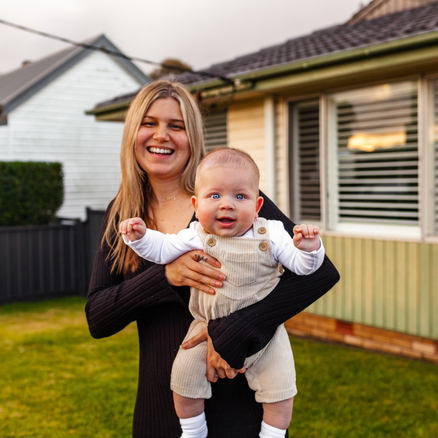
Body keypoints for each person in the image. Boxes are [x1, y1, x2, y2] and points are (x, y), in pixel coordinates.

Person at [85, 79, 340, 438]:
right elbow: (98, 317)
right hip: (161, 403)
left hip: (239, 397)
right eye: (149, 123)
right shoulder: (124, 216)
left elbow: (320, 272)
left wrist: (235, 331)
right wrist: (167, 276)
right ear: (132, 133)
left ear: (193, 137)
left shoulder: (228, 195)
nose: (161, 136)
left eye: (176, 126)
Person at [119, 148, 325, 438]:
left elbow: (304, 269)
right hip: (203, 330)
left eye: (240, 196)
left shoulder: (273, 233)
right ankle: (193, 431)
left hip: (267, 335)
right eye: (214, 196)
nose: (226, 205)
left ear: (258, 206)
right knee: (183, 381)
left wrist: (309, 249)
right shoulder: (194, 235)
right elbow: (162, 249)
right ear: (196, 203)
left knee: (281, 391)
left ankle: (273, 435)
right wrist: (139, 237)